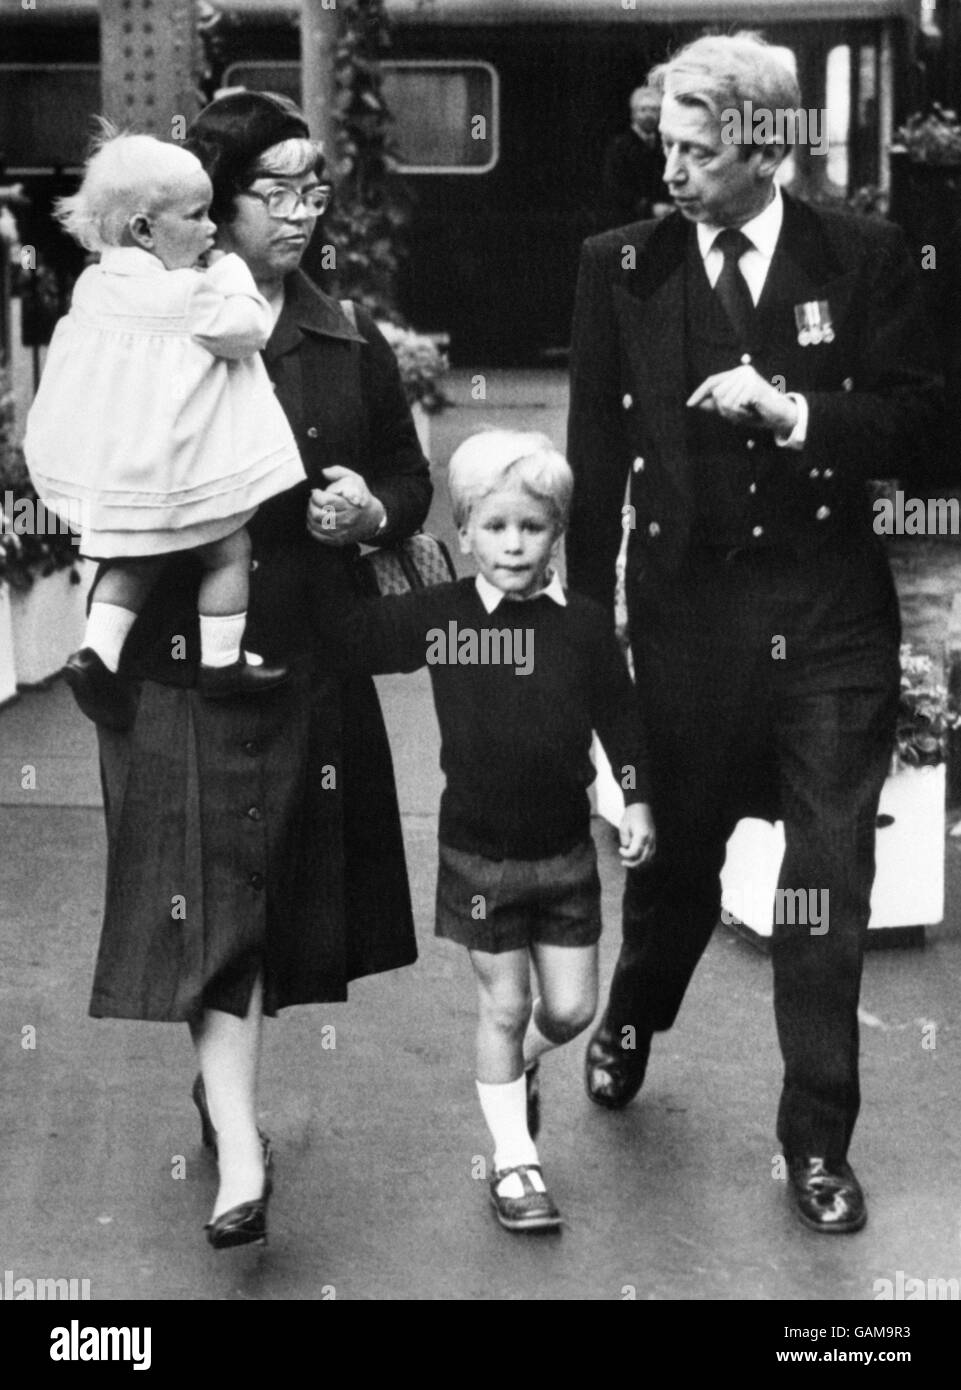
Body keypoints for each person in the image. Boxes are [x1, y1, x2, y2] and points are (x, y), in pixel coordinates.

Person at [566, 33, 942, 1233]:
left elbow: (927, 427)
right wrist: (580, 647)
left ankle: (816, 1142)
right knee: (675, 872)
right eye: (664, 144)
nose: (669, 170)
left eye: (697, 146)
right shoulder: (617, 266)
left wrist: (792, 415)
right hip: (686, 623)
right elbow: (589, 458)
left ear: (767, 141)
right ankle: (632, 1015)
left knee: (824, 882)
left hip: (828, 617)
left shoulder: (867, 257)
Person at [84, 90, 432, 1249]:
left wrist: (371, 510)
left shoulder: (346, 336)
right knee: (210, 897)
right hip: (182, 663)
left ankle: (225, 1101)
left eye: (313, 186)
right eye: (272, 189)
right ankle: (240, 1145)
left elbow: (407, 480)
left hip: (304, 654)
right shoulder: (151, 324)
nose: (300, 209)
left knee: (271, 899)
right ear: (209, 208)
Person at [312, 429, 655, 1231]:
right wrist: (339, 543)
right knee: (502, 1009)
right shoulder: (444, 618)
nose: (511, 544)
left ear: (556, 535)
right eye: (494, 527)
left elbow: (622, 722)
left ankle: (515, 1072)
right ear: (463, 533)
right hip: (476, 857)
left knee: (568, 1012)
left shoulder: (583, 625)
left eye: (530, 528)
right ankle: (514, 1164)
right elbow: (352, 640)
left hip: (566, 856)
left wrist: (636, 799)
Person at [24, 128, 304, 730]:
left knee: (131, 562)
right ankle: (224, 662)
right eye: (198, 216)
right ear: (144, 231)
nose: (212, 230)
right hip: (182, 470)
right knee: (229, 550)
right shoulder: (191, 292)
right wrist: (230, 273)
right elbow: (248, 331)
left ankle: (96, 654)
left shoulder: (94, 287)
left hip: (126, 470)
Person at [600, 86, 670, 228]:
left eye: (654, 110)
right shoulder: (619, 146)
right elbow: (615, 189)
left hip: (662, 222)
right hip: (627, 222)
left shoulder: (665, 145)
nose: (649, 115)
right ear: (633, 113)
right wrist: (649, 208)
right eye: (643, 110)